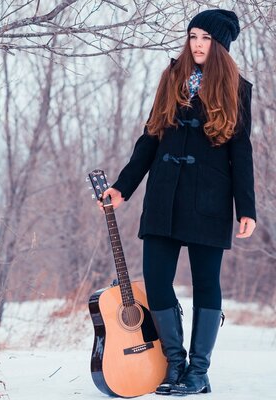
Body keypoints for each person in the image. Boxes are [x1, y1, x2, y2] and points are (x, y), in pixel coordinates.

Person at [99, 9, 256, 396]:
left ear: (220, 45)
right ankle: (175, 364)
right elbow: (150, 138)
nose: (198, 44)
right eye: (193, 36)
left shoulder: (237, 88)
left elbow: (242, 151)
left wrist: (246, 207)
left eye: (206, 38)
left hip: (210, 200)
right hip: (164, 197)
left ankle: (198, 372)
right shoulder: (172, 78)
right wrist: (122, 187)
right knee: (155, 279)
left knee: (206, 284)